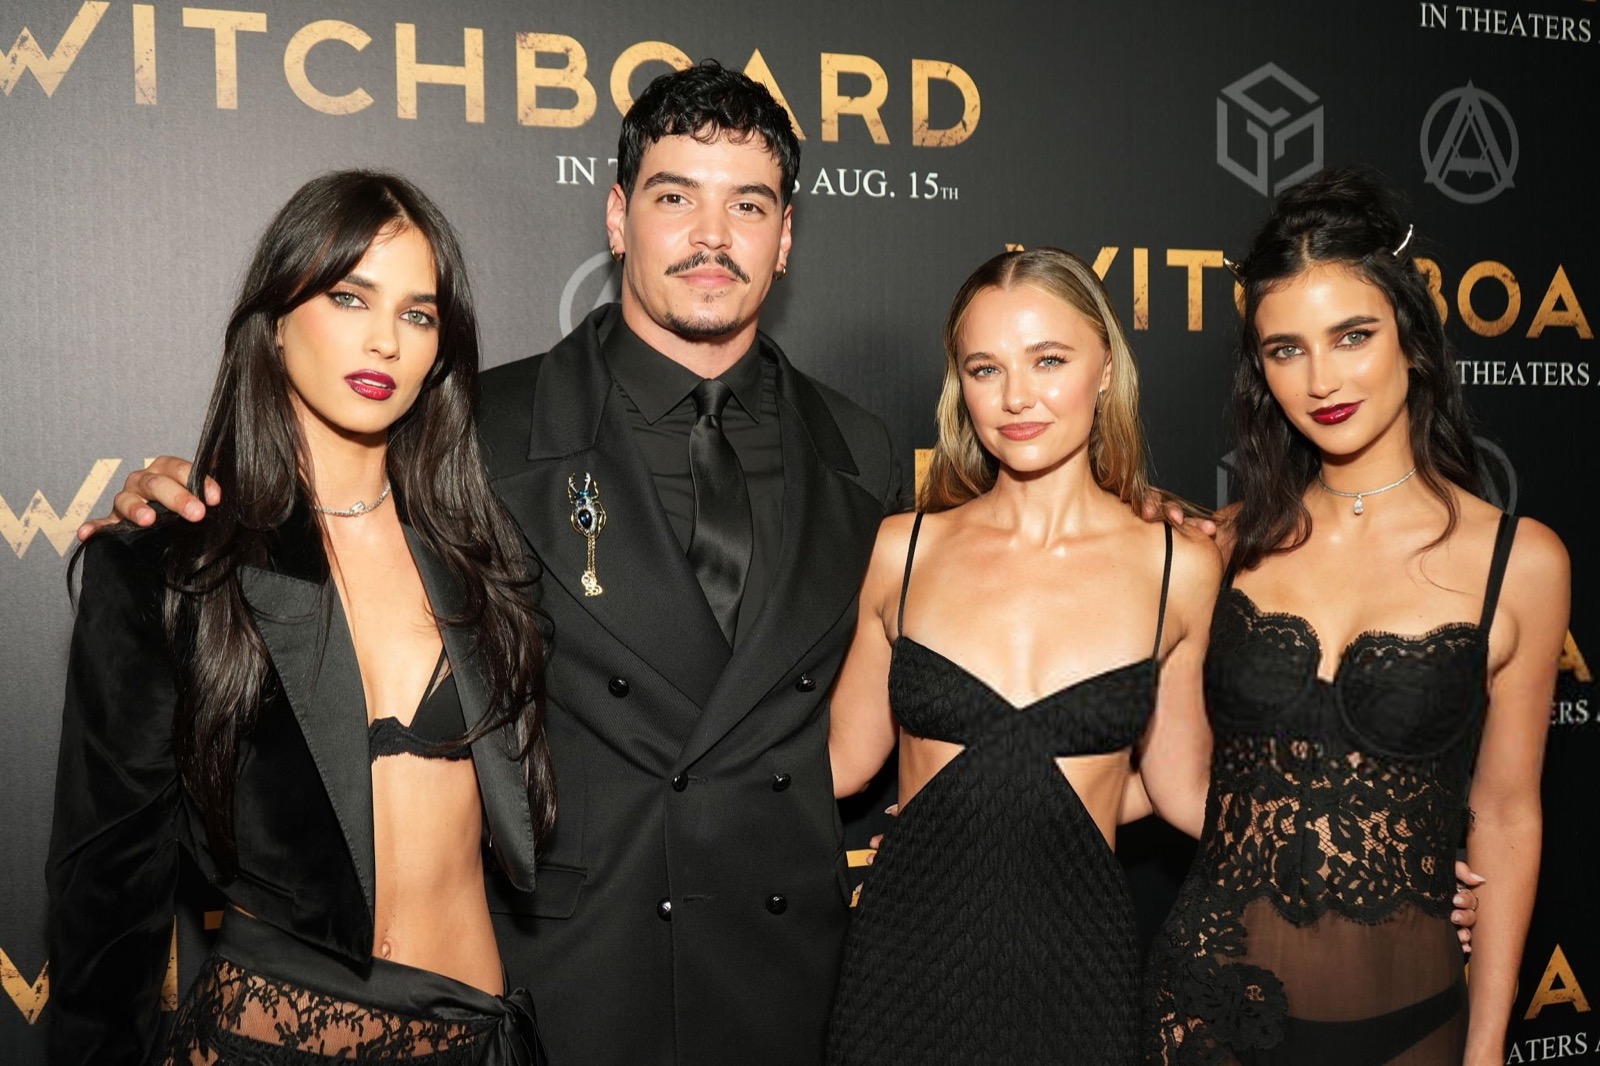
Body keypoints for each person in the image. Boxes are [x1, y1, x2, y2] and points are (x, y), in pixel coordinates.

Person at [85, 63, 906, 1063]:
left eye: (748, 204)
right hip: (574, 985)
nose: (711, 235)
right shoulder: (474, 432)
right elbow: (309, 493)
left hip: (783, 985)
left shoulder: (863, 451)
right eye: (674, 197)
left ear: (786, 236)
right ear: (617, 218)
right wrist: (175, 501)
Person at [47, 172, 553, 1062]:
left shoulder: (486, 556)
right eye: (349, 297)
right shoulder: (174, 566)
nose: (385, 339)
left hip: (477, 1041)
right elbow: (107, 901)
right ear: (276, 319)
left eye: (418, 314)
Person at [1139, 169, 1568, 1065]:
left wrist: (1487, 1046)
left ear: (1411, 337)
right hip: (1209, 1010)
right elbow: (1165, 769)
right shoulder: (1223, 545)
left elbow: (1506, 814)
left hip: (1414, 1022)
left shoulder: (1519, 563)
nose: (1321, 379)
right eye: (1285, 349)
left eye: (1352, 335)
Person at [825, 248, 1220, 1064]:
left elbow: (1182, 791)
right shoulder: (904, 550)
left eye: (1048, 361)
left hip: (1076, 967)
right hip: (906, 967)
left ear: (1105, 369)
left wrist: (1394, 861)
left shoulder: (1177, 565)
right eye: (985, 368)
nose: (1015, 397)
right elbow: (842, 764)